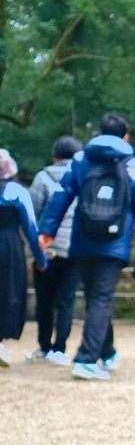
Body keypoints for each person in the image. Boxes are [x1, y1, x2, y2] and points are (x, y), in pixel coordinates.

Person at [38, 112, 135, 381]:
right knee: (100, 298)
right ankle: (85, 359)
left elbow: (62, 194)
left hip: (82, 240)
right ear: (125, 137)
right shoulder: (134, 164)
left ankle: (107, 351)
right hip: (114, 243)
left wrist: (47, 230)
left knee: (95, 297)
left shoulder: (82, 159)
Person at [27, 136, 83, 366]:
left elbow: (31, 213)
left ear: (54, 156)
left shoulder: (43, 177)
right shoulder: (83, 176)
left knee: (44, 301)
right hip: (75, 250)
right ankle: (60, 348)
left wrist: (34, 247)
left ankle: (44, 346)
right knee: (66, 300)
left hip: (46, 249)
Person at [0, 149, 48, 367]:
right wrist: (40, 258)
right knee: (7, 290)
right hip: (8, 246)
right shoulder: (16, 191)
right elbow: (30, 227)